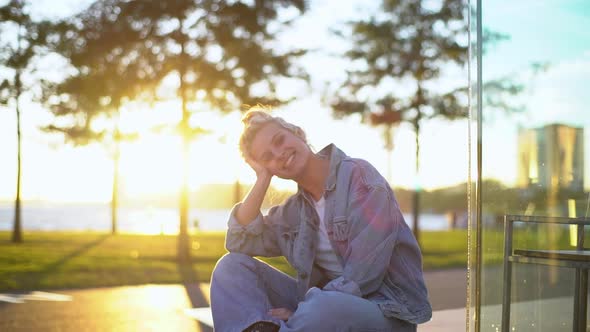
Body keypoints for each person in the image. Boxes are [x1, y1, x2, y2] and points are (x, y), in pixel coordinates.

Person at [210, 108, 432, 332]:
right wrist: (262, 179)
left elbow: (363, 275)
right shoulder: (294, 212)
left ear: (298, 133)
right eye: (267, 158)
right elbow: (238, 242)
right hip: (320, 311)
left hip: (385, 313)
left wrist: (300, 312)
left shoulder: (359, 176)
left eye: (279, 140)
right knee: (230, 268)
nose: (278, 154)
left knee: (323, 306)